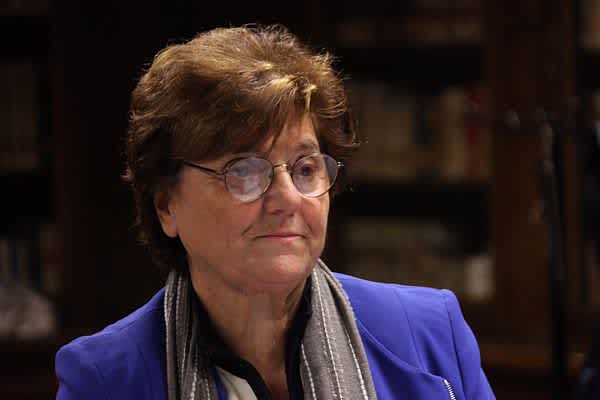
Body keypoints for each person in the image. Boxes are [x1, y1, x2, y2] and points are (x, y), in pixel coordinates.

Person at [54, 24, 495, 400]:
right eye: (243, 171)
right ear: (166, 205)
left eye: (305, 168)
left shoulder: (431, 335)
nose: (287, 198)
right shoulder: (103, 379)